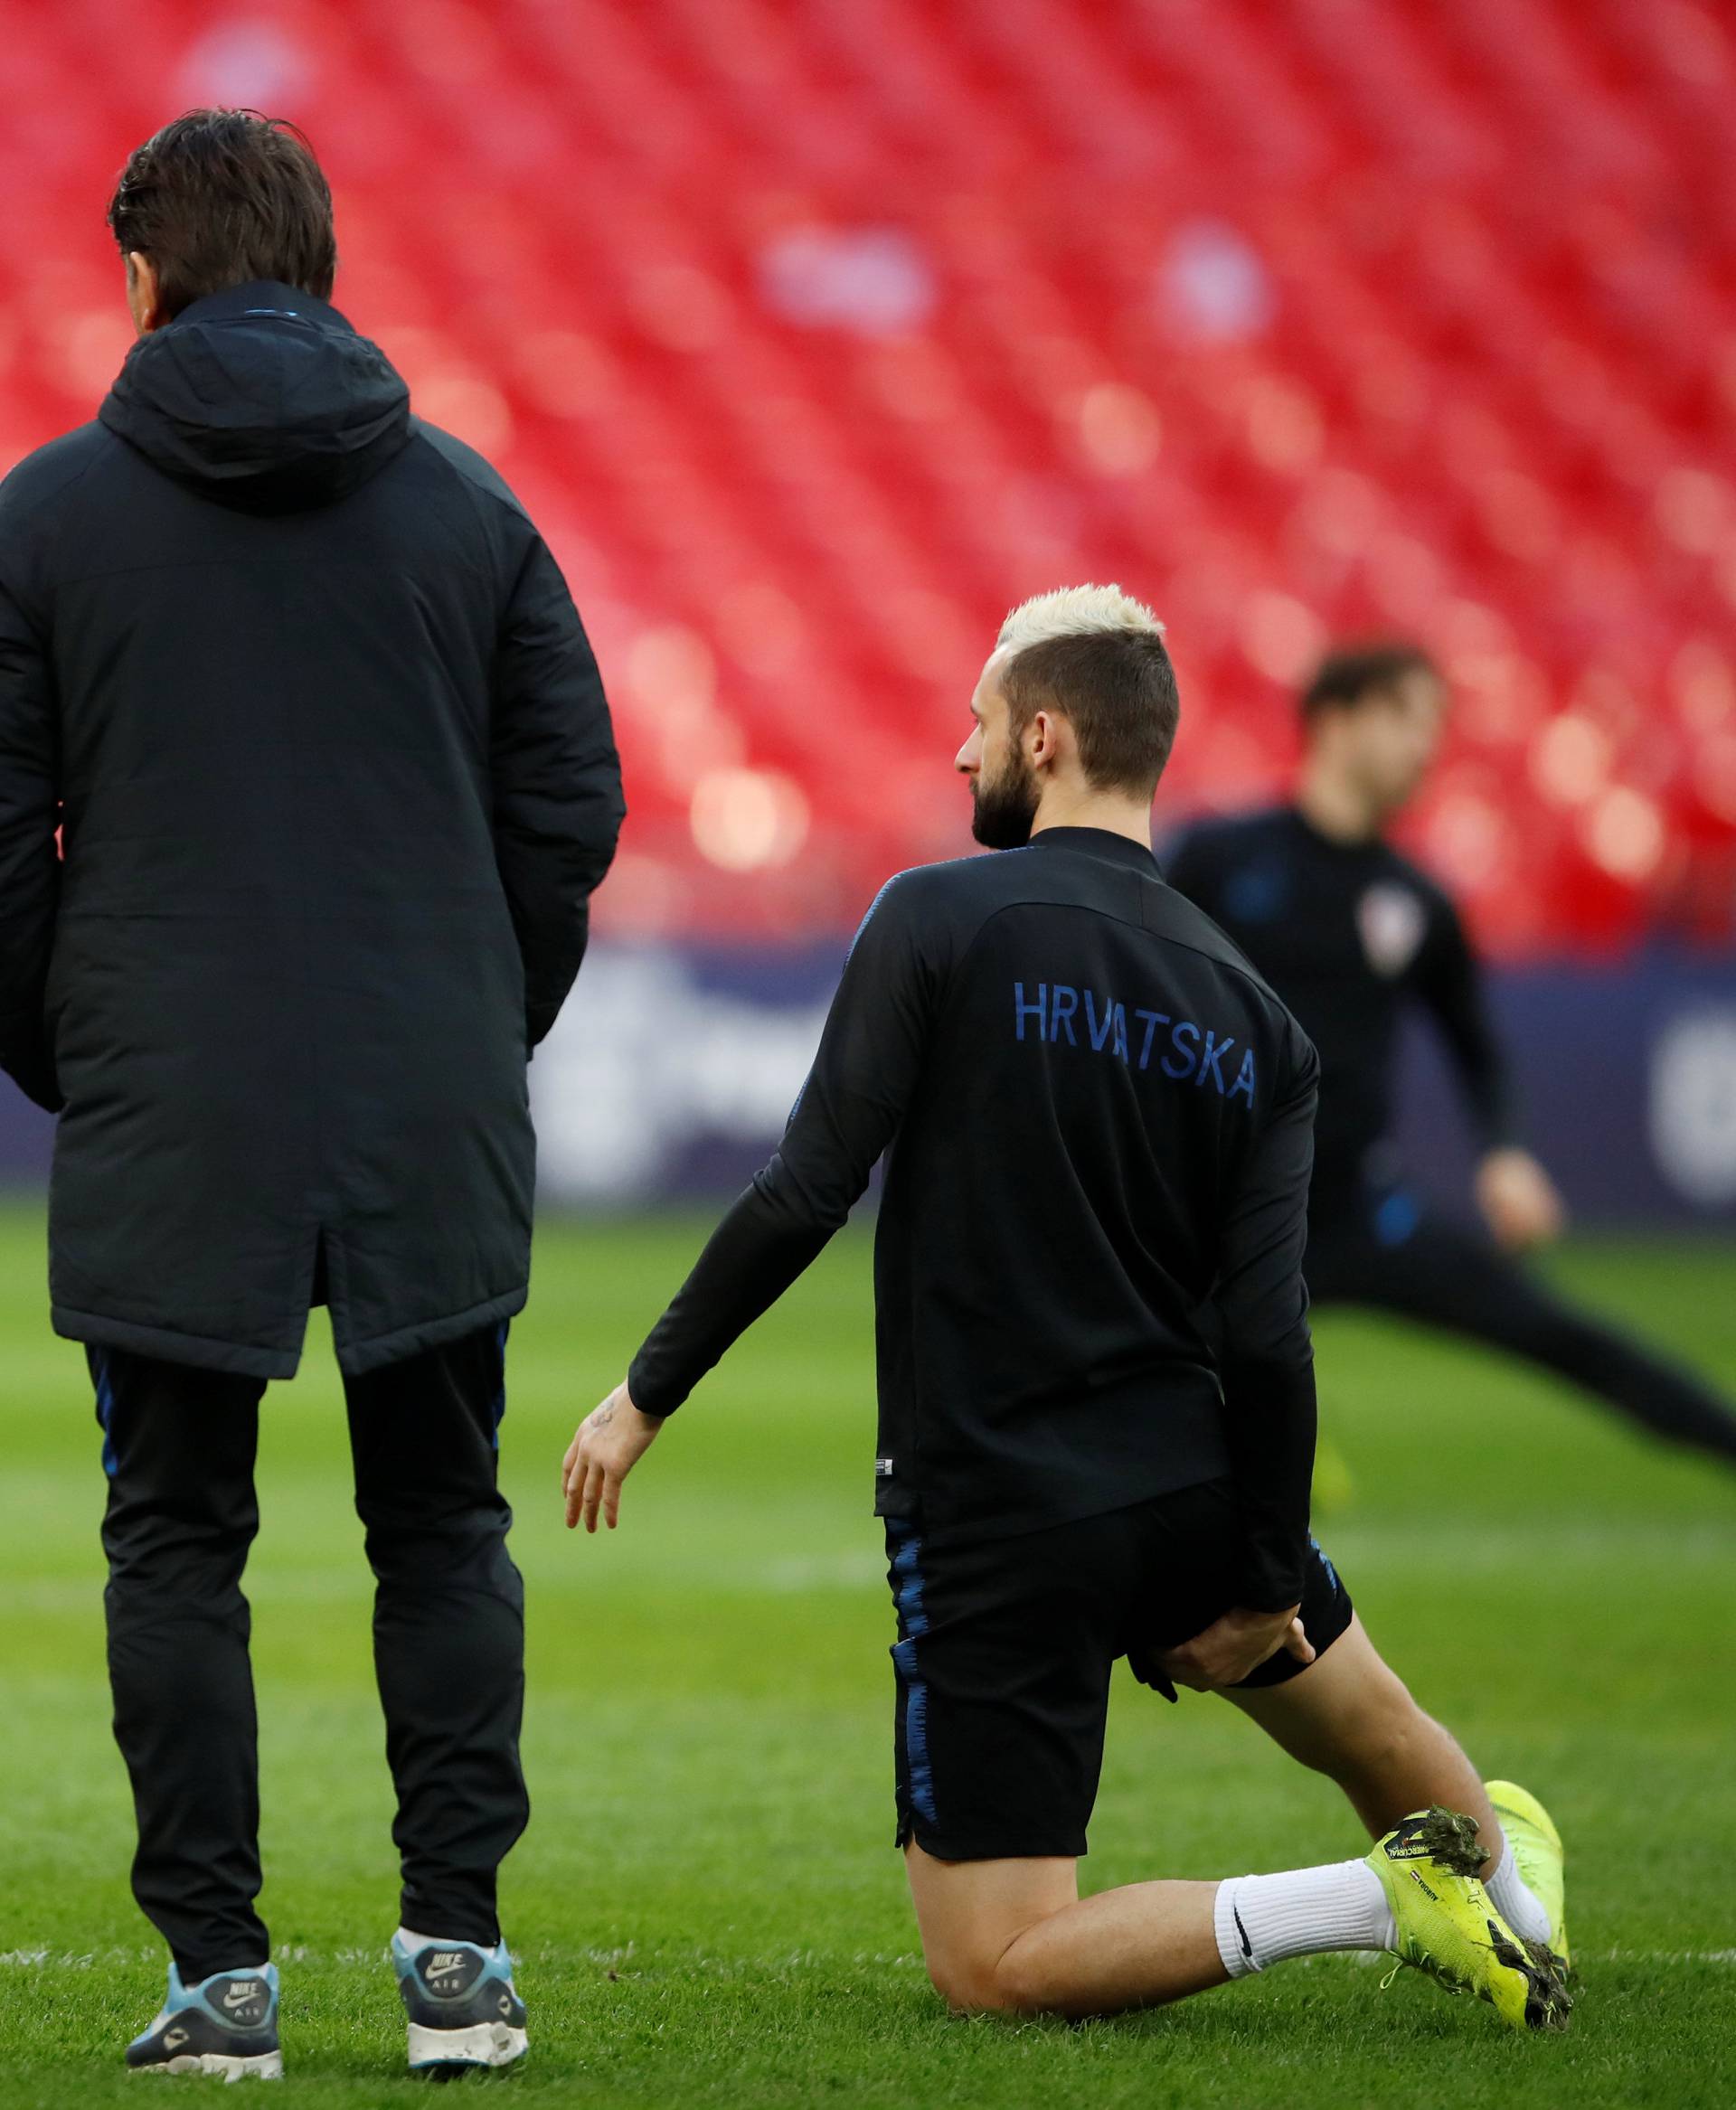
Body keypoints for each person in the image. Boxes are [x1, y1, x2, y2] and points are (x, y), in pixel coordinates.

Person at [560, 588, 1571, 2032]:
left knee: (994, 1963)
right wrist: (1272, 1570)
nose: (956, 756)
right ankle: (1528, 1922)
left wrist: (644, 1391)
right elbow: (1267, 1332)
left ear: (1043, 735)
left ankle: (1365, 1901)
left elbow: (806, 1188)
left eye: (977, 726)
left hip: (999, 1510)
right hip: (1193, 1487)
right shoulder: (1253, 1013)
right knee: (1380, 1729)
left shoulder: (936, 914)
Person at [0, 110, 624, 2078]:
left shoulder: (41, 518)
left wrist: (80, 1052)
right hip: (425, 1088)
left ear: (139, 277)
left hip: (169, 1099)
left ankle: (220, 1984)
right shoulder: (472, 512)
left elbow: (1, 845)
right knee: (441, 1522)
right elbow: (570, 817)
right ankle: (459, 1970)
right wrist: (472, 1019)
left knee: (173, 1534)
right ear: (325, 264)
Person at [1165, 644, 1736, 1471]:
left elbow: (1476, 1045)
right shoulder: (1219, 861)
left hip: (1359, 1213)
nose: (1426, 745)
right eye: (1406, 716)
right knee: (1111, 1379)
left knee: (1559, 1334)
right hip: (1223, 1224)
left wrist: (1503, 1151)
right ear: (1338, 717)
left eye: (1434, 723)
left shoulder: (1417, 900)